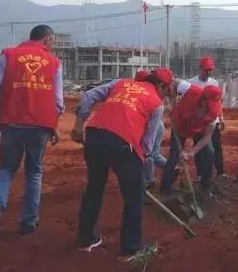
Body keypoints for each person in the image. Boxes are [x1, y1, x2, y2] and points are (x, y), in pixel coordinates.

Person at [71, 68, 174, 262]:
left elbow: (88, 96)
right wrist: (139, 172)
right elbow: (147, 145)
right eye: (167, 90)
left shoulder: (120, 83)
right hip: (122, 145)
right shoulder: (156, 103)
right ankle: (130, 249)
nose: (166, 95)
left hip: (94, 137)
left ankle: (85, 240)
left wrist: (78, 126)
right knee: (134, 196)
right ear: (160, 86)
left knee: (94, 188)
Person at [0, 25, 63, 237]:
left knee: (6, 168)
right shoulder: (54, 63)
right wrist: (53, 124)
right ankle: (29, 222)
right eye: (53, 40)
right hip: (40, 125)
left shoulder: (9, 54)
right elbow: (58, 101)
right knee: (34, 171)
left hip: (12, 121)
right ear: (48, 39)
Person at [159, 81, 223, 198]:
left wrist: (191, 153)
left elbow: (207, 136)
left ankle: (205, 187)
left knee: (209, 153)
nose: (211, 108)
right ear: (202, 99)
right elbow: (173, 82)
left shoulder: (214, 113)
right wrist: (172, 102)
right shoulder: (190, 89)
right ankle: (165, 189)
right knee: (174, 157)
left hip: (199, 130)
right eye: (209, 103)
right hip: (179, 127)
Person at [187, 56, 227, 178]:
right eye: (206, 70)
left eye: (211, 70)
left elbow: (218, 101)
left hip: (212, 120)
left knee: (216, 146)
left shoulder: (214, 82)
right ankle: (200, 174)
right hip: (198, 122)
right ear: (200, 68)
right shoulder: (191, 83)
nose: (209, 72)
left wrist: (221, 117)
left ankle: (220, 172)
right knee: (199, 148)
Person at [135, 69, 167, 189]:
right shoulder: (153, 90)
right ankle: (170, 168)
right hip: (157, 124)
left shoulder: (146, 92)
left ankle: (149, 180)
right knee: (154, 154)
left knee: (149, 155)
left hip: (154, 125)